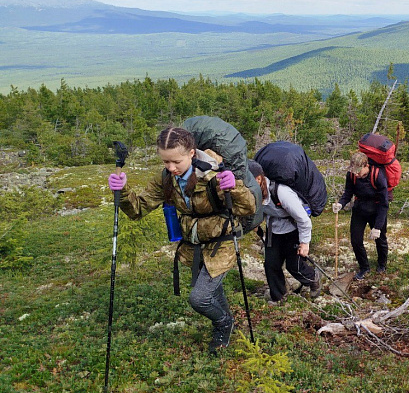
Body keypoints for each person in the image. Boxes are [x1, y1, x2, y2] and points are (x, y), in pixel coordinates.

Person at [107, 126, 256, 355]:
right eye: (165, 161)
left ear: (192, 153)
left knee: (199, 298)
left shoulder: (214, 176)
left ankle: (224, 323)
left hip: (222, 242)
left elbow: (248, 208)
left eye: (176, 161)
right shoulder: (166, 179)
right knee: (212, 290)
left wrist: (234, 187)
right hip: (194, 244)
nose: (171, 167)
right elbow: (138, 209)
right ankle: (226, 322)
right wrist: (122, 190)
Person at [247, 160, 320, 303]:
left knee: (294, 266)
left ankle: (313, 278)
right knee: (271, 265)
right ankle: (279, 297)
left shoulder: (282, 192)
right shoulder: (255, 193)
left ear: (258, 179)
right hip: (274, 230)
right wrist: (256, 223)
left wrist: (305, 243)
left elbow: (303, 220)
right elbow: (262, 210)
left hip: (293, 229)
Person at [333, 152, 389, 281]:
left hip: (376, 209)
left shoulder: (378, 176)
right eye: (354, 171)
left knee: (380, 239)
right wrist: (340, 204)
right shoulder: (351, 175)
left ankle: (382, 265)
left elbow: (384, 203)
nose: (356, 174)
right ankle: (364, 267)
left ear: (366, 165)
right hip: (359, 209)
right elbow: (348, 192)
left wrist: (377, 227)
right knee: (356, 240)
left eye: (358, 171)